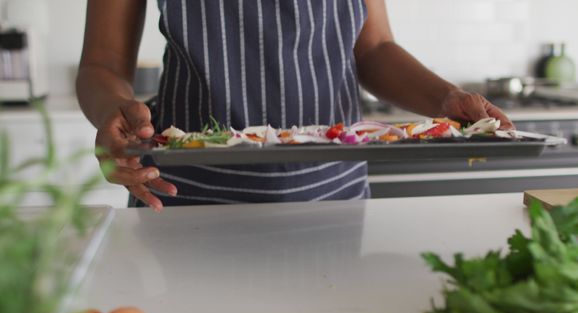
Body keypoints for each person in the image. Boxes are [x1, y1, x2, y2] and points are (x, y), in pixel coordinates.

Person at [77, 0, 514, 211]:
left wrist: (444, 98)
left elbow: (375, 47)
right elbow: (102, 63)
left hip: (332, 197)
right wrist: (111, 109)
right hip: (188, 200)